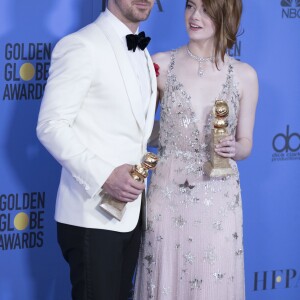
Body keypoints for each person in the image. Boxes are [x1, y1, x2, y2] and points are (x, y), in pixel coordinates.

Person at [133, 0, 259, 299]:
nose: (194, 16)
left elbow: (247, 143)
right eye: (190, 7)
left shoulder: (245, 75)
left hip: (219, 194)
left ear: (225, 16)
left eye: (205, 10)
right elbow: (140, 129)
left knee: (213, 277)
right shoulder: (160, 64)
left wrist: (235, 148)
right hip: (167, 189)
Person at [36, 0, 156, 299]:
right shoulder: (80, 46)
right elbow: (50, 126)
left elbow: (134, 130)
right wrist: (105, 175)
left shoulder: (143, 52)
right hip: (91, 215)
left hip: (131, 213)